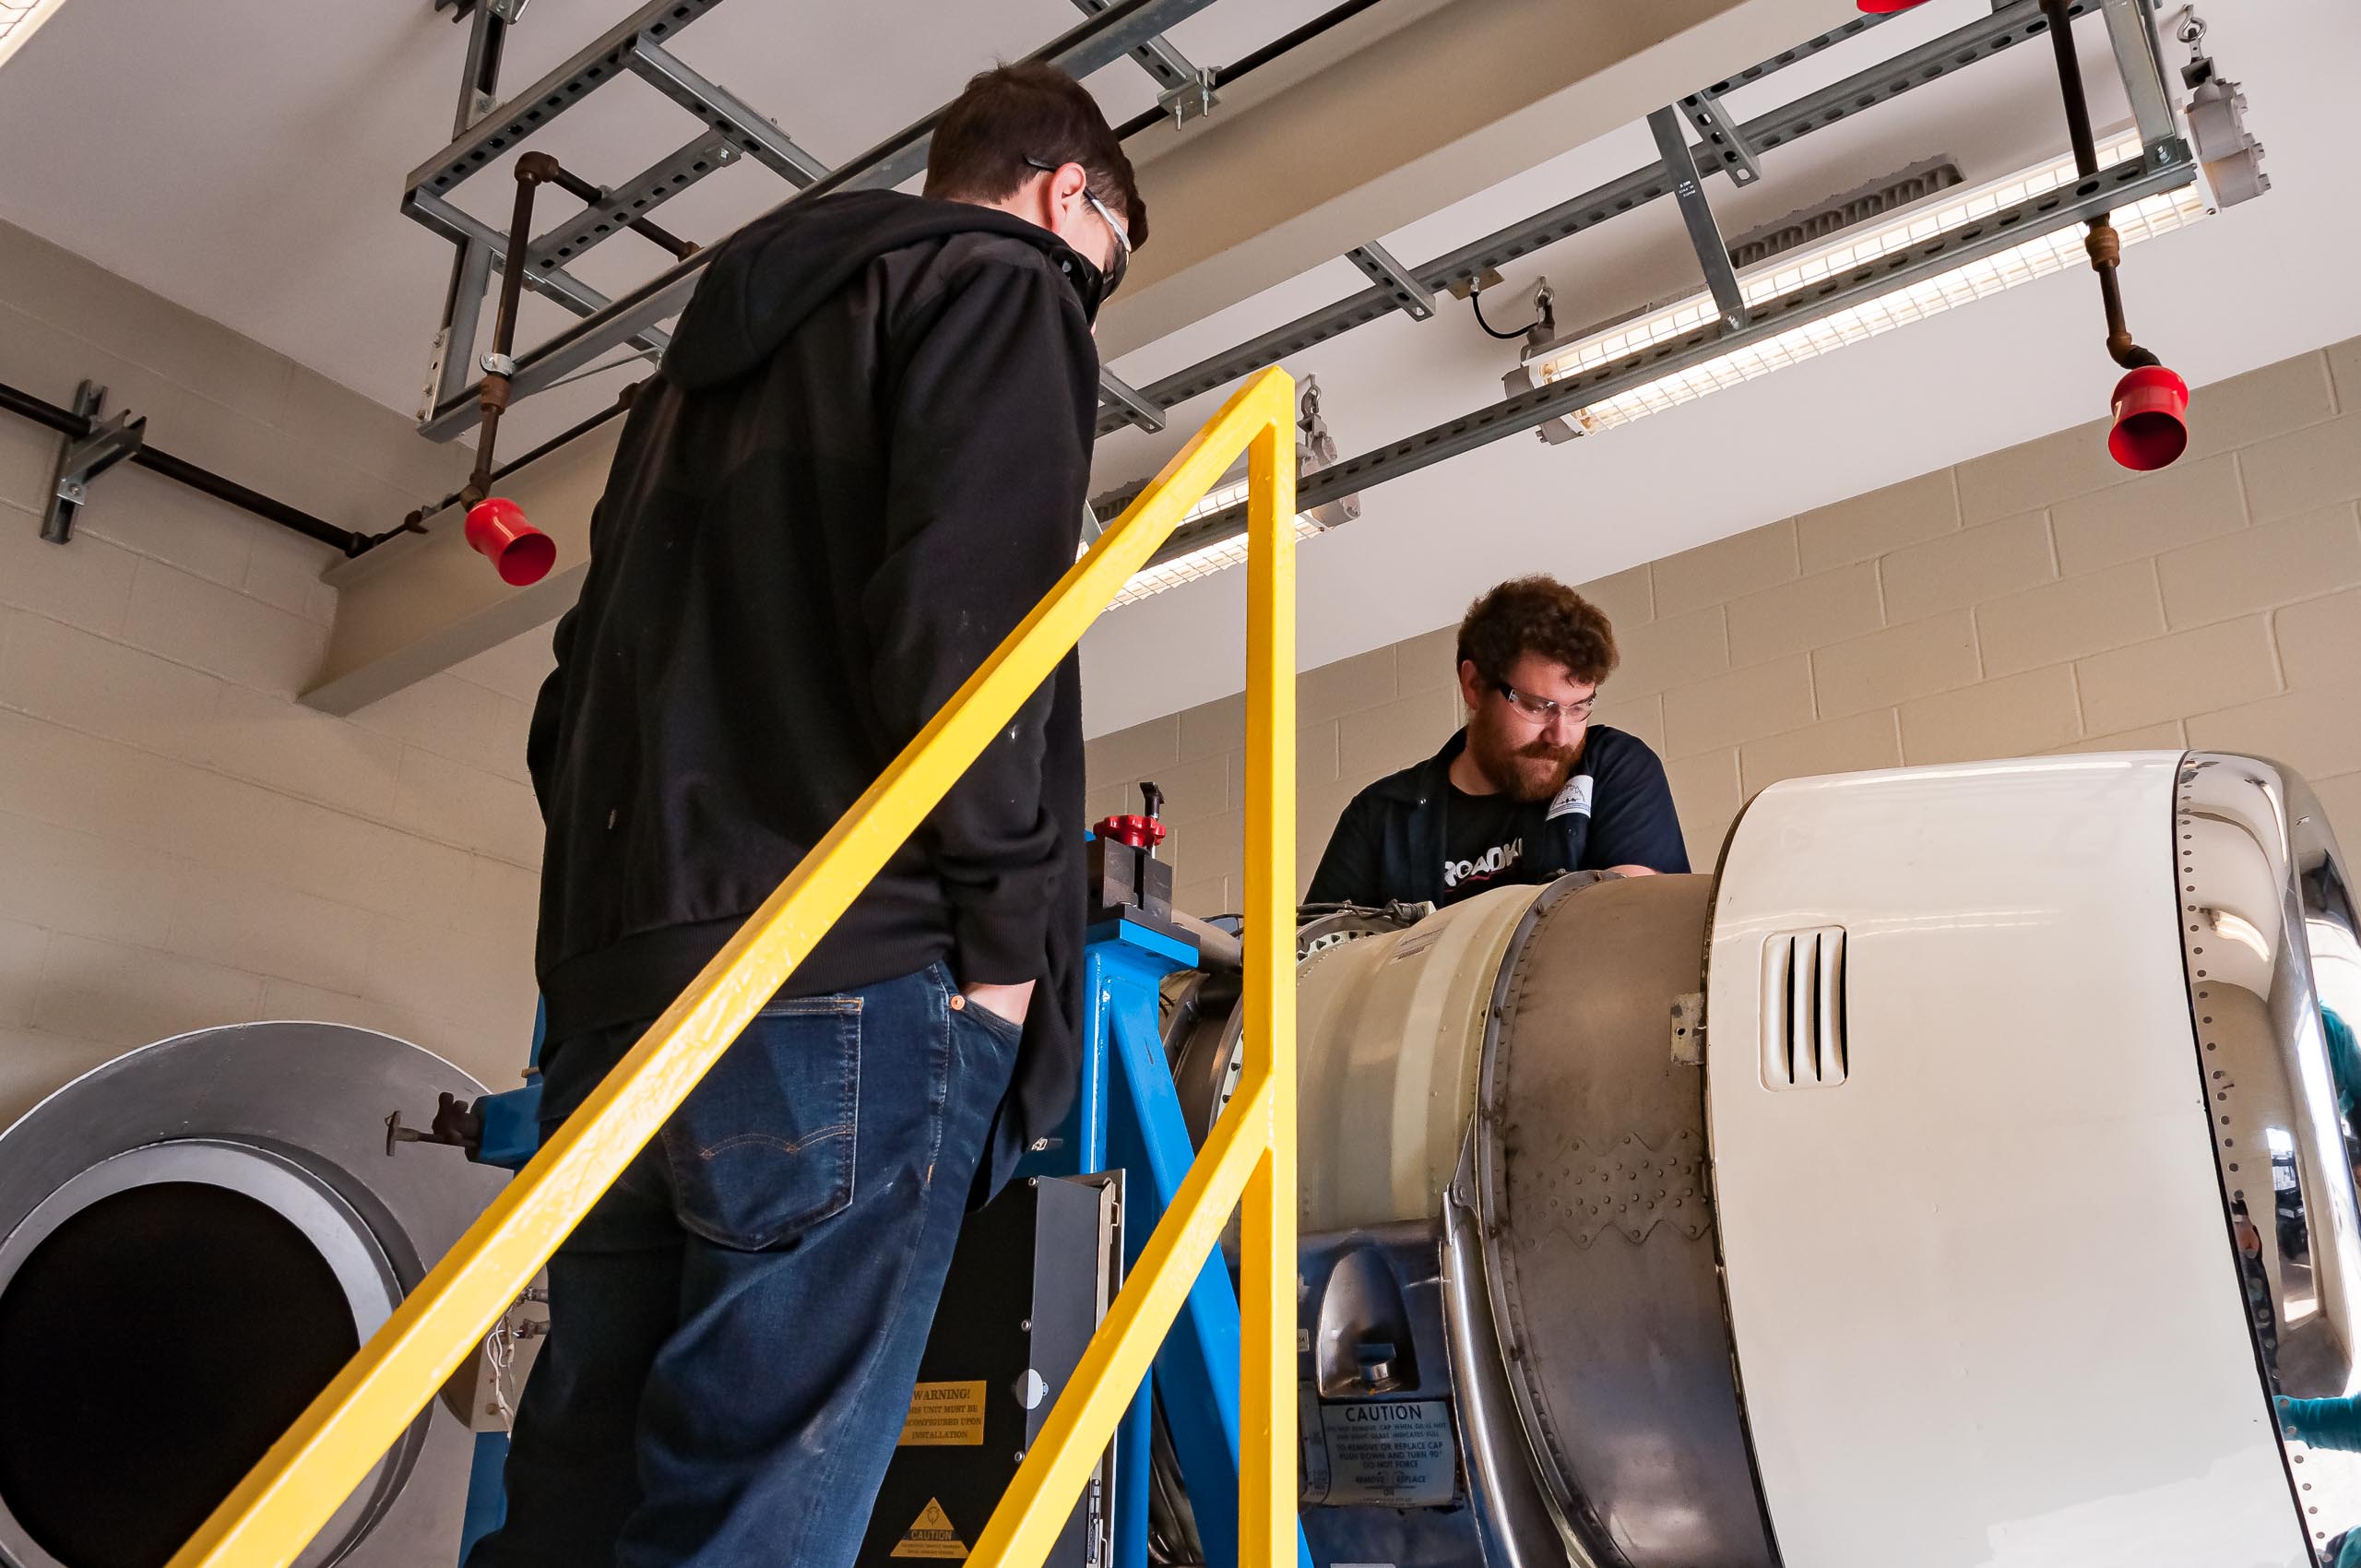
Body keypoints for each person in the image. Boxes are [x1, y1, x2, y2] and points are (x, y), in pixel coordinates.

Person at [471, 62, 1145, 1568]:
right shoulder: (1007, 284)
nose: (1089, 300)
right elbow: (964, 628)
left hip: (623, 992)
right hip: (847, 979)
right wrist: (1005, 949)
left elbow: (568, 710)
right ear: (1063, 196)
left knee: (579, 1493)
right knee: (757, 1513)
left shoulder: (682, 392)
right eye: (1105, 262)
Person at [1307, 575, 1687, 909]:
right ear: (1474, 686)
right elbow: (1313, 974)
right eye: (1539, 706)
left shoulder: (1613, 767)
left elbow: (1636, 922)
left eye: (1579, 708)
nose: (1560, 734)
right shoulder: (1380, 817)